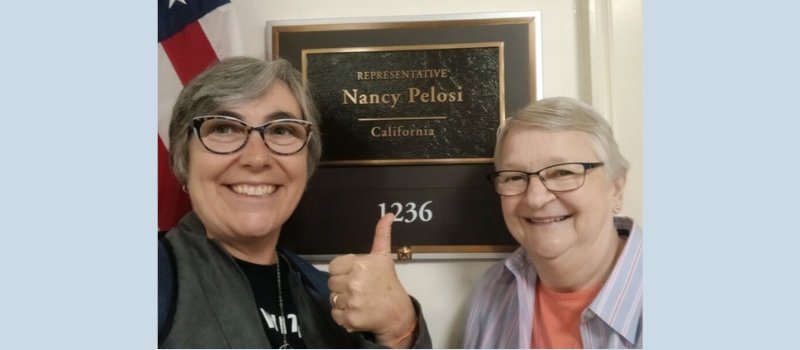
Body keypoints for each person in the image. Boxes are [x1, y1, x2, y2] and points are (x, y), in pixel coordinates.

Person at [158, 56, 430, 348]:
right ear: (184, 160)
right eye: (224, 128)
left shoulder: (335, 299)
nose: (256, 158)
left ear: (306, 164)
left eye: (281, 130)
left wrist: (399, 330)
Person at [463, 97, 643, 349]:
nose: (535, 198)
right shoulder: (495, 289)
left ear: (616, 186)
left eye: (563, 172)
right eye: (515, 177)